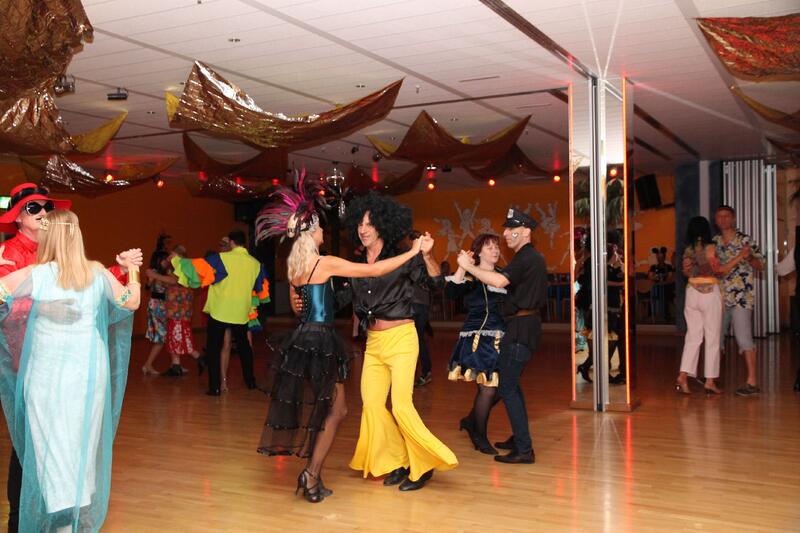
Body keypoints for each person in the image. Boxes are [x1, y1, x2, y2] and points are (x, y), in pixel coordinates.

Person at [255, 176, 423, 502]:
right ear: (312, 232)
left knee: (332, 409)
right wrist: (412, 252)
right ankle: (311, 475)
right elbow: (374, 271)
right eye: (320, 228)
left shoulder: (294, 267)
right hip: (321, 342)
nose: (323, 232)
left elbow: (297, 306)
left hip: (303, 340)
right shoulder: (324, 262)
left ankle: (312, 475)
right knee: (334, 412)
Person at [0, 183, 135, 533]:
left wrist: (121, 271)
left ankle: (59, 518)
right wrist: (42, 308)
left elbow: (85, 284)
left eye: (46, 208)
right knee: (38, 447)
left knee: (61, 446)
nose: (43, 214)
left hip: (63, 369)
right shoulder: (10, 254)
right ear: (18, 217)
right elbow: (9, 297)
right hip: (40, 364)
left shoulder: (55, 263)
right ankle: (34, 520)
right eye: (34, 208)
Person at [345, 192, 458, 491]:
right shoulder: (357, 263)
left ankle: (424, 465)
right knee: (371, 405)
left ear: (383, 225)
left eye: (369, 223)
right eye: (360, 223)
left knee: (401, 406)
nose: (363, 229)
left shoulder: (402, 257)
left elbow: (436, 284)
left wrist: (428, 255)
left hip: (402, 339)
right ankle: (398, 460)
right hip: (373, 343)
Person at [457, 208, 546, 464]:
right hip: (523, 327)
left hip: (520, 329)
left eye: (511, 228)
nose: (506, 234)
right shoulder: (528, 257)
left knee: (506, 387)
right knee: (511, 385)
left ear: (526, 231)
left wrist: (468, 267)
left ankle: (524, 449)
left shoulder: (526, 257)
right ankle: (518, 439)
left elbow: (497, 282)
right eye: (505, 229)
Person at [171, 230, 269, 395]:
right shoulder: (255, 264)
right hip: (241, 312)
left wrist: (176, 260)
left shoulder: (221, 258)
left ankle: (215, 387)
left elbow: (197, 268)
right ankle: (250, 381)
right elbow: (259, 287)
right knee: (244, 347)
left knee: (213, 348)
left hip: (220, 311)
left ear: (231, 242)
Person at [445, 233, 505, 454]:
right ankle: (479, 436)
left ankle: (471, 421)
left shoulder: (503, 274)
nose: (495, 250)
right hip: (479, 338)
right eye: (489, 247)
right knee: (488, 389)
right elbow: (451, 293)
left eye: (497, 247)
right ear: (478, 252)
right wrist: (463, 266)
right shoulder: (471, 275)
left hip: (501, 338)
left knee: (505, 387)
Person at [713, 205, 764, 397]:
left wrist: (749, 258)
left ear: (733, 219)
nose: (723, 219)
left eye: (727, 216)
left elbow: (761, 265)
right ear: (716, 220)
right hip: (719, 297)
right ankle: (712, 378)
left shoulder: (745, 240)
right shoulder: (714, 242)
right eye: (719, 216)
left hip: (742, 297)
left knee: (744, 338)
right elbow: (714, 269)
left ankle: (752, 381)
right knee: (716, 339)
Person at [676, 217, 725, 395]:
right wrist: (736, 259)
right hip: (709, 291)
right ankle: (710, 381)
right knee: (712, 337)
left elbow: (686, 271)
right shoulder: (711, 248)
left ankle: (683, 375)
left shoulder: (687, 250)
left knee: (693, 337)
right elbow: (717, 269)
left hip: (691, 292)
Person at [162, 245, 204, 377]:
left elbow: (174, 280)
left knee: (179, 336)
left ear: (179, 256)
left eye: (172, 254)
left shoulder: (183, 267)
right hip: (176, 310)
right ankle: (176, 365)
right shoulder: (178, 267)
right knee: (175, 336)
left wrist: (155, 275)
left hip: (179, 311)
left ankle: (199, 358)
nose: (169, 257)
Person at [142, 234, 171, 375]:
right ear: (159, 260)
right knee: (162, 336)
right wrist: (151, 280)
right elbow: (147, 287)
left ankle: (174, 363)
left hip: (163, 305)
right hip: (156, 305)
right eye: (165, 260)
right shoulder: (153, 272)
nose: (167, 262)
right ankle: (147, 364)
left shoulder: (165, 273)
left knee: (164, 336)